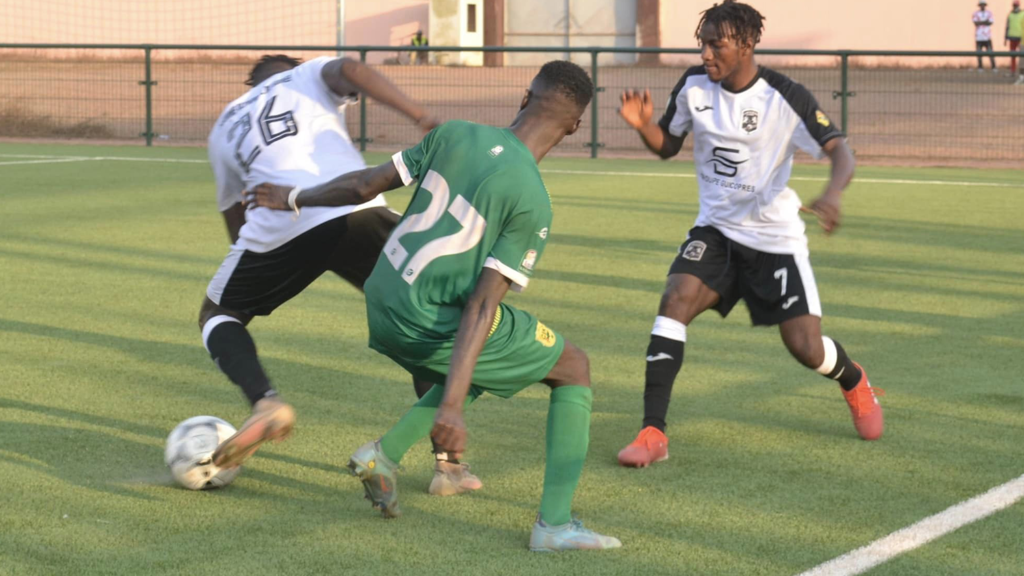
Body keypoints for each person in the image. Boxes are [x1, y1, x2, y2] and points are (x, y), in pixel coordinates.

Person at [244, 60, 621, 552]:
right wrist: (452, 409)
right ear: (574, 127)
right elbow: (482, 307)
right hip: (424, 319)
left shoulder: (455, 133)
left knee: (493, 355)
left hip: (382, 297)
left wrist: (294, 196)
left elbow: (363, 186)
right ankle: (554, 526)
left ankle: (384, 455)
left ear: (525, 98)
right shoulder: (533, 201)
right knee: (572, 366)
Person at [614, 0, 884, 469]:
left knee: (805, 348)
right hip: (716, 231)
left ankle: (854, 380)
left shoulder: (786, 96)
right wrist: (644, 128)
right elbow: (668, 144)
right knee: (675, 299)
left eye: (716, 45)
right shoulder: (694, 86)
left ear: (747, 44)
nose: (706, 54)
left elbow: (841, 151)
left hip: (773, 239)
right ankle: (653, 433)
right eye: (702, 44)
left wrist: (833, 194)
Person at [202, 54, 482, 497]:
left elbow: (234, 216)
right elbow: (352, 68)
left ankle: (266, 403)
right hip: (354, 208)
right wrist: (422, 116)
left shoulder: (223, 126)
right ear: (291, 70)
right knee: (429, 321)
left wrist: (261, 272)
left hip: (277, 226)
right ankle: (449, 467)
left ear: (250, 86)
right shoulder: (304, 75)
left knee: (219, 314)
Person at [975, 0, 998, 72]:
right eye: (981, 5)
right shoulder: (976, 13)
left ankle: (994, 67)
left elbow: (990, 22)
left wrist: (981, 22)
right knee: (979, 53)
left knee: (990, 52)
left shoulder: (989, 13)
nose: (982, 6)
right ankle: (980, 67)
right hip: (979, 36)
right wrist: (985, 21)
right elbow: (976, 23)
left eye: (983, 5)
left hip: (987, 36)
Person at [1006, 0, 1024, 82]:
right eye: (1014, 5)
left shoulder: (1022, 14)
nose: (1015, 7)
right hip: (1013, 38)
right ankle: (1013, 72)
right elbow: (1007, 26)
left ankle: (1021, 76)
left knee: (1022, 58)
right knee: (1013, 56)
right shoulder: (1010, 14)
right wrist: (1005, 37)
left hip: (1021, 39)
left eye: (1016, 5)